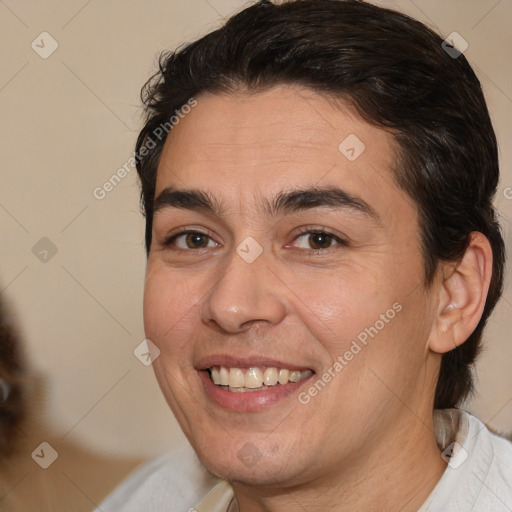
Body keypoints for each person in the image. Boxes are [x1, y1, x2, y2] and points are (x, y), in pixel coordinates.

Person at [96, 0, 512, 510]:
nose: (231, 304)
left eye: (318, 239)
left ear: (454, 294)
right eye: (194, 238)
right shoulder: (145, 499)